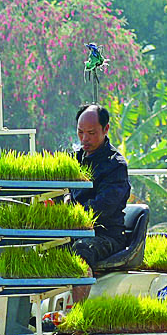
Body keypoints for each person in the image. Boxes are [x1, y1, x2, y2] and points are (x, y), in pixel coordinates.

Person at [70, 103, 131, 268]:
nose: (84, 139)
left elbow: (102, 207)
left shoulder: (116, 165)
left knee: (82, 248)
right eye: (80, 132)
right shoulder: (73, 160)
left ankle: (81, 293)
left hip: (106, 235)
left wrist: (68, 215)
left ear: (106, 129)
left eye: (91, 133)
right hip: (74, 231)